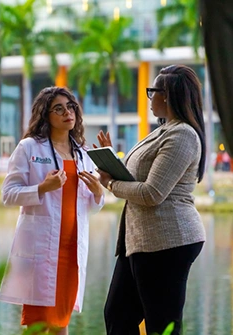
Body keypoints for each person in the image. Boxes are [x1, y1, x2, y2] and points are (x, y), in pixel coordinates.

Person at [96, 65, 206, 335]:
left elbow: (152, 193)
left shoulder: (183, 135)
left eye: (151, 91)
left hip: (168, 241)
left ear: (166, 94)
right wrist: (112, 160)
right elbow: (142, 177)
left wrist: (110, 183)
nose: (149, 98)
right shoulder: (163, 130)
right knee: (117, 316)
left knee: (162, 325)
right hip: (139, 241)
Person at [0, 86, 104, 335]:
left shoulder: (83, 154)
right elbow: (8, 195)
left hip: (71, 251)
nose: (67, 112)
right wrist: (42, 188)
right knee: (37, 324)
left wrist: (99, 192)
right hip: (41, 250)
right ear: (45, 115)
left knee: (61, 321)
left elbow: (89, 206)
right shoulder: (29, 148)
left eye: (71, 107)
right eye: (59, 108)